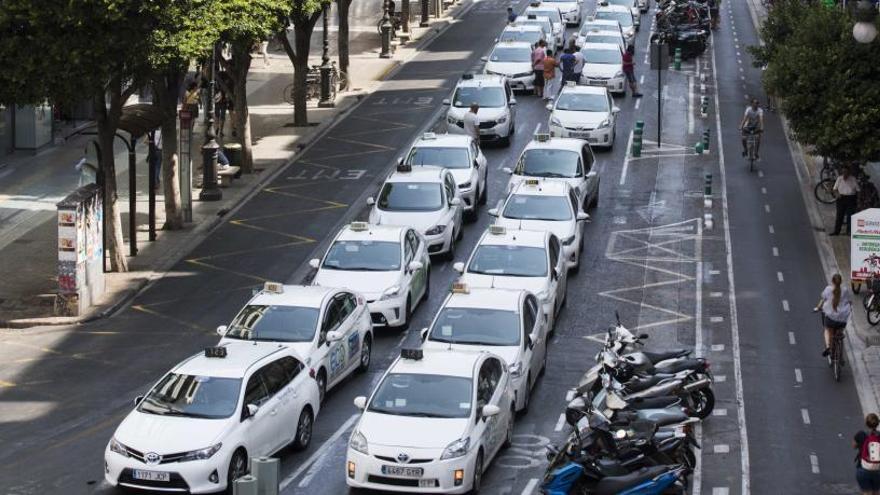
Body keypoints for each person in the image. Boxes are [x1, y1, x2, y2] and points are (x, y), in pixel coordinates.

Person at [814, 273, 852, 357]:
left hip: (830, 318)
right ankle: (840, 334)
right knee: (840, 329)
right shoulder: (845, 290)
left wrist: (817, 307)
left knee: (827, 330)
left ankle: (828, 346)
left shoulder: (828, 289)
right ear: (841, 282)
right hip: (842, 319)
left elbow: (823, 300)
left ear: (832, 281)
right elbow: (849, 301)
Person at [855, 413, 880, 495]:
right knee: (877, 492)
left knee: (867, 492)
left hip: (863, 468)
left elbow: (854, 445)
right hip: (878, 469)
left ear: (866, 423)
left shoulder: (861, 434)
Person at [831, 165, 860, 236]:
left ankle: (849, 231)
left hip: (851, 198)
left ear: (849, 173)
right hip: (841, 198)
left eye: (846, 172)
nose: (844, 174)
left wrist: (858, 200)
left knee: (850, 216)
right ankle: (836, 231)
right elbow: (834, 189)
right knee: (839, 216)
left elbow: (858, 190)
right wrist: (837, 194)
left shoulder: (853, 179)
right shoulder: (839, 179)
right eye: (843, 172)